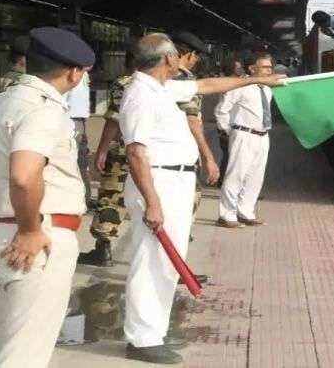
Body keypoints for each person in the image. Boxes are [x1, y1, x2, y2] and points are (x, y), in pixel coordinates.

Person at [119, 33, 285, 364]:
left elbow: (207, 85)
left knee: (167, 262)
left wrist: (255, 78)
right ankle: (142, 338)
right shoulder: (140, 94)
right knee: (152, 260)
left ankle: (153, 332)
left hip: (175, 180)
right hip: (159, 181)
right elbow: (136, 152)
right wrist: (153, 202)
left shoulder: (161, 88)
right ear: (168, 59)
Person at [0, 27, 95, 368]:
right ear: (74, 72)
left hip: (6, 230)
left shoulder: (5, 100)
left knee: (7, 344)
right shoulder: (43, 108)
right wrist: (29, 230)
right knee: (23, 355)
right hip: (33, 238)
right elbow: (24, 176)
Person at [78, 53, 134, 267]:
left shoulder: (124, 84)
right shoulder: (169, 85)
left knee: (112, 196)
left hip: (123, 149)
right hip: (156, 152)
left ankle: (103, 248)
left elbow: (113, 121)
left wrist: (102, 150)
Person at [215, 52, 276, 228]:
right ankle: (226, 215)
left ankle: (245, 211)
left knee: (256, 176)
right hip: (244, 134)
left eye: (270, 67)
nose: (269, 70)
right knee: (236, 174)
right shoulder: (239, 87)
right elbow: (222, 110)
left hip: (263, 135)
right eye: (265, 67)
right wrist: (228, 131)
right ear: (252, 68)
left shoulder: (267, 89)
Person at [170, 32, 219, 214]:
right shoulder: (184, 79)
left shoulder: (159, 76)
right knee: (185, 207)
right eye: (196, 57)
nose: (196, 61)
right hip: (181, 154)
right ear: (190, 55)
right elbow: (192, 122)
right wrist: (208, 157)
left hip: (160, 154)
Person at [66, 71, 92, 208]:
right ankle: (82, 198)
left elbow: (79, 104)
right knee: (74, 162)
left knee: (79, 162)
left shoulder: (82, 74)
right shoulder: (76, 72)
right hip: (71, 118)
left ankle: (84, 198)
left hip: (75, 119)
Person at [217, 56, 244, 184]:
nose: (241, 69)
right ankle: (223, 181)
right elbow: (221, 109)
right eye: (239, 68)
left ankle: (222, 180)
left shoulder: (238, 82)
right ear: (232, 69)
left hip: (231, 125)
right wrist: (225, 129)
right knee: (230, 155)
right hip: (228, 127)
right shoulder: (230, 84)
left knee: (230, 155)